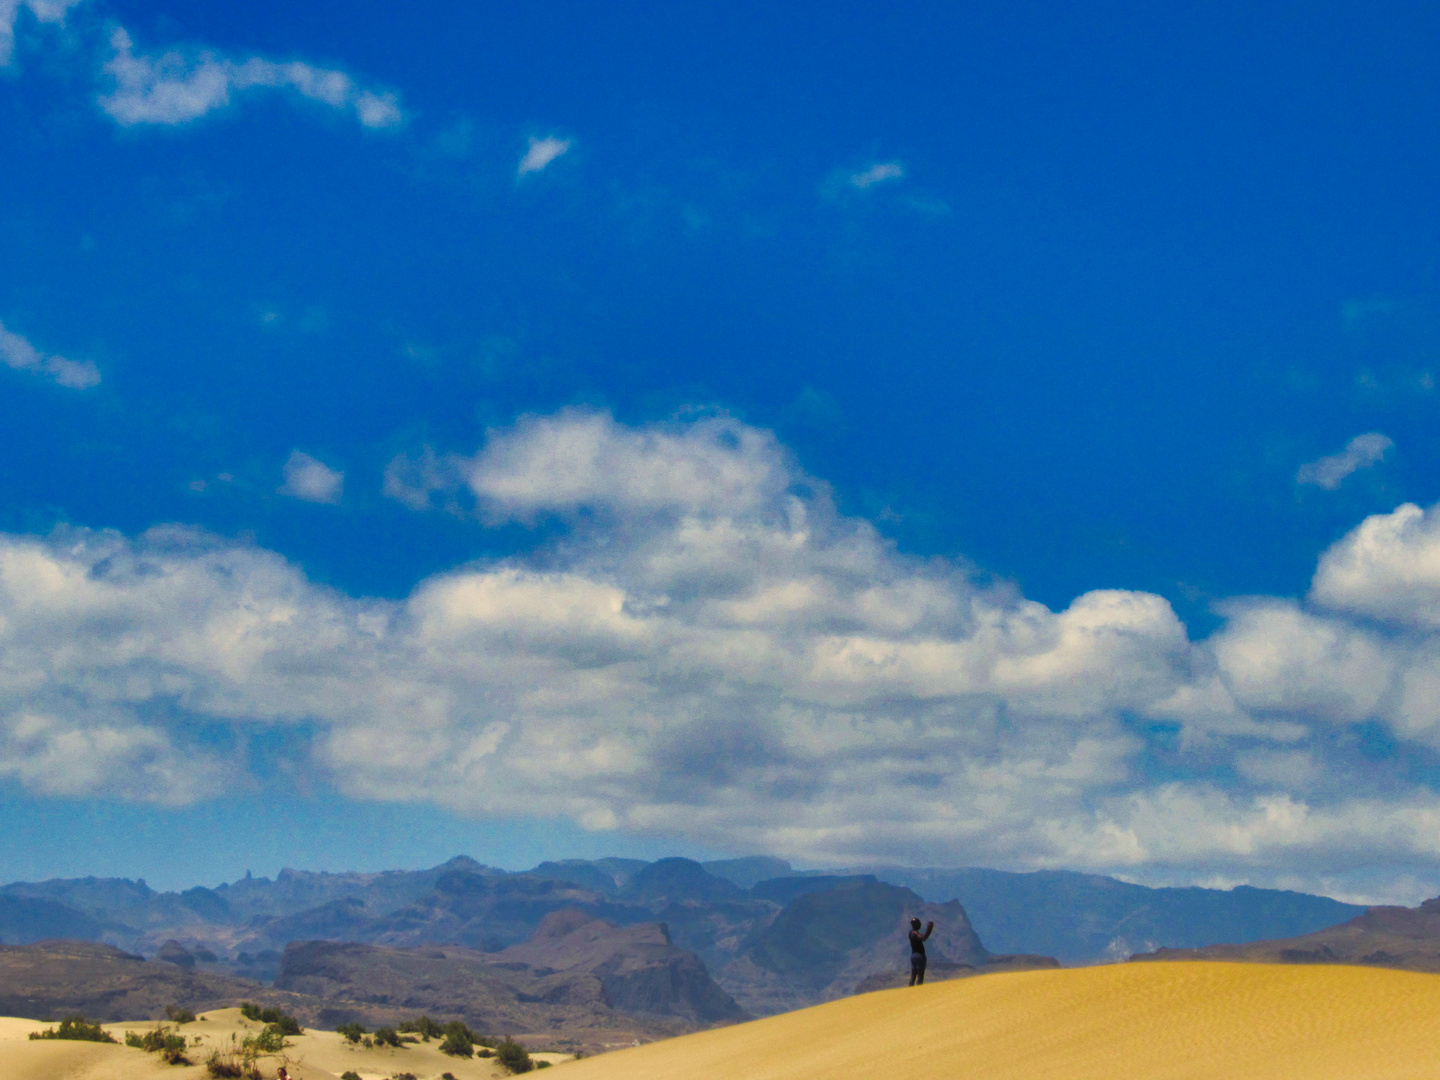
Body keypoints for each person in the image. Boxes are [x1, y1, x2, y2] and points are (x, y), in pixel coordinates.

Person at [908, 916, 934, 986]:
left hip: (913, 956)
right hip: (919, 956)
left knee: (913, 975)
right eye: (918, 924)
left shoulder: (911, 933)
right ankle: (918, 992)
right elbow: (923, 938)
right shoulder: (915, 934)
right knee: (920, 975)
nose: (920, 925)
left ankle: (910, 992)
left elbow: (923, 936)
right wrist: (929, 928)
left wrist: (928, 930)